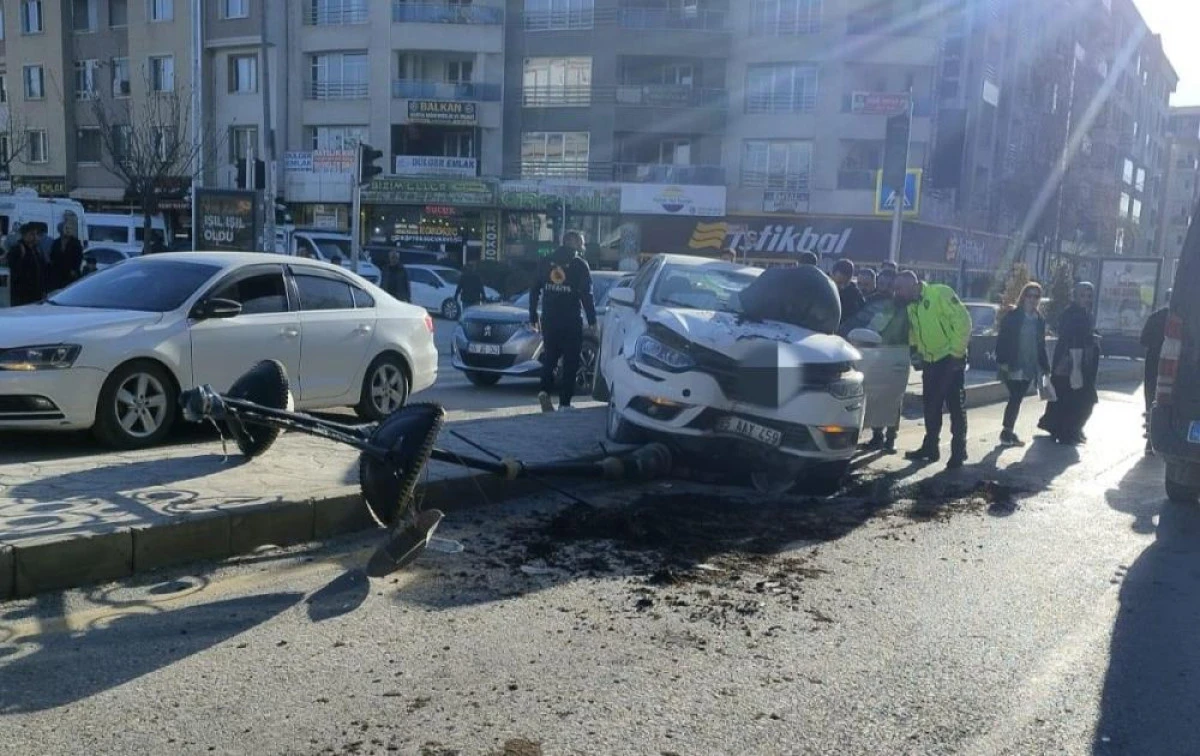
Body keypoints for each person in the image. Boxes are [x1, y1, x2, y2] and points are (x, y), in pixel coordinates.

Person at [896, 270, 973, 468]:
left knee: (955, 406)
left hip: (950, 358)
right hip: (930, 360)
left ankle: (958, 450)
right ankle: (931, 447)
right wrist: (916, 351)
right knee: (931, 406)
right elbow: (914, 331)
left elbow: (963, 321)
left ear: (913, 285)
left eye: (900, 289)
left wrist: (956, 353)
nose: (897, 293)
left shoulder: (940, 293)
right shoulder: (911, 305)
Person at [530, 231, 597, 413]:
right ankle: (565, 403)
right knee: (571, 362)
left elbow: (534, 289)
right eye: (581, 243)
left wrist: (533, 316)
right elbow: (586, 294)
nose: (582, 247)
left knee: (550, 358)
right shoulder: (579, 265)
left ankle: (544, 391)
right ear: (572, 242)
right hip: (570, 320)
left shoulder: (545, 261)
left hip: (549, 319)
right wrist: (592, 320)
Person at [1038, 282, 1101, 446]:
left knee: (1066, 397)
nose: (1086, 299)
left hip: (1074, 361)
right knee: (1081, 398)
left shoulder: (1084, 313)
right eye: (1082, 295)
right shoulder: (1074, 314)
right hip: (1072, 361)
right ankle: (1068, 430)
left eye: (1089, 296)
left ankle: (1063, 429)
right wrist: (1076, 367)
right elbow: (1073, 339)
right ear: (1075, 296)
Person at [994, 282, 1051, 447]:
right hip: (1013, 364)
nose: (1033, 300)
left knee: (1017, 398)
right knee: (1015, 397)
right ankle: (1007, 431)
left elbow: (1041, 345)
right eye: (1030, 295)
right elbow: (1002, 341)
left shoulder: (1039, 319)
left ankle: (1008, 431)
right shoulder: (1013, 316)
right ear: (1023, 297)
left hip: (1030, 365)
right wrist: (1002, 362)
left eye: (1036, 296)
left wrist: (1045, 367)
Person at [861, 267, 910, 453]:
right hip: (882, 354)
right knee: (877, 397)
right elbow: (876, 325)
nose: (892, 290)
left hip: (899, 356)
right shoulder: (888, 305)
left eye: (894, 287)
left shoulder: (910, 307)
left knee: (894, 398)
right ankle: (877, 436)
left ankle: (890, 439)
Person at [1140, 291, 1170, 454]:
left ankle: (1150, 442)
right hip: (1175, 368)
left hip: (1153, 365)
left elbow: (1143, 340)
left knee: (1151, 400)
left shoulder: (1155, 317)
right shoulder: (1184, 319)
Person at [8, 223, 46, 306]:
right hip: (22, 294)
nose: (35, 237)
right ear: (24, 235)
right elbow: (15, 271)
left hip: (36, 292)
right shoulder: (17, 249)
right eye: (32, 234)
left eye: (36, 234)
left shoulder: (37, 249)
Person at [48, 220, 84, 293]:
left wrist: (74, 270)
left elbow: (79, 257)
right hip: (58, 273)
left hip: (71, 273)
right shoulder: (56, 242)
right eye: (66, 228)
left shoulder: (75, 242)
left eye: (69, 229)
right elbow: (52, 256)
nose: (68, 231)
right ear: (60, 230)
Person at [832, 258, 866, 325]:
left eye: (845, 283)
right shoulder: (823, 291)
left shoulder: (855, 296)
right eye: (839, 282)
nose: (842, 287)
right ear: (832, 275)